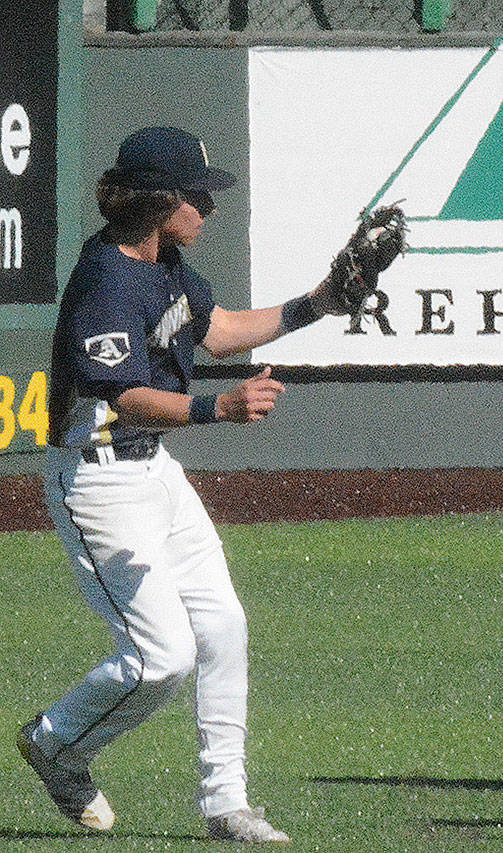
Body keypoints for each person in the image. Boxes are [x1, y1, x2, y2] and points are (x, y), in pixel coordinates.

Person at [18, 127, 350, 844]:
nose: (209, 207)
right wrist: (218, 408)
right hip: (98, 482)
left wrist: (318, 302)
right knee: (159, 658)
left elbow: (222, 330)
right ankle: (56, 741)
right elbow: (124, 396)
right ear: (161, 201)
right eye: (198, 195)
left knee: (224, 626)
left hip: (154, 473)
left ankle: (226, 802)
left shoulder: (163, 261)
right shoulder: (106, 280)